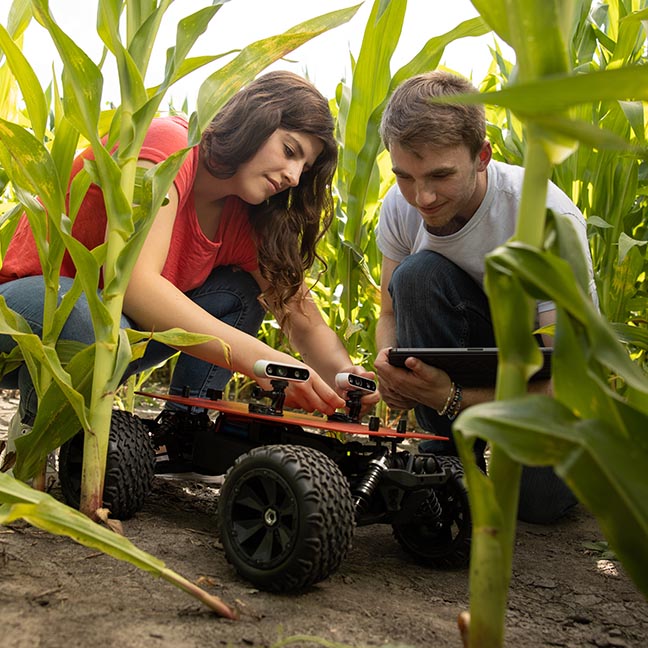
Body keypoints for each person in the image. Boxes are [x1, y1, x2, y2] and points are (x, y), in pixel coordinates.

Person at [0, 71, 377, 470]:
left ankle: (181, 435)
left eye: (304, 167)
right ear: (256, 119)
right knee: (78, 312)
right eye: (289, 150)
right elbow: (135, 286)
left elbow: (303, 320)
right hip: (24, 319)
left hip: (115, 341)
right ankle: (28, 446)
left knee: (238, 293)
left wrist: (344, 379)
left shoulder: (246, 219)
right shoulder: (169, 146)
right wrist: (264, 362)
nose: (293, 177)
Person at [373, 70, 597, 524]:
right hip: (462, 364)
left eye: (440, 175)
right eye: (404, 176)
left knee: (536, 508)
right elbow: (390, 313)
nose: (423, 196)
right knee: (417, 275)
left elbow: (564, 382)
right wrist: (391, 371)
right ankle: (452, 464)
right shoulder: (402, 207)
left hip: (545, 383)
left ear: (482, 156)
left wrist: (451, 396)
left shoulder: (546, 219)